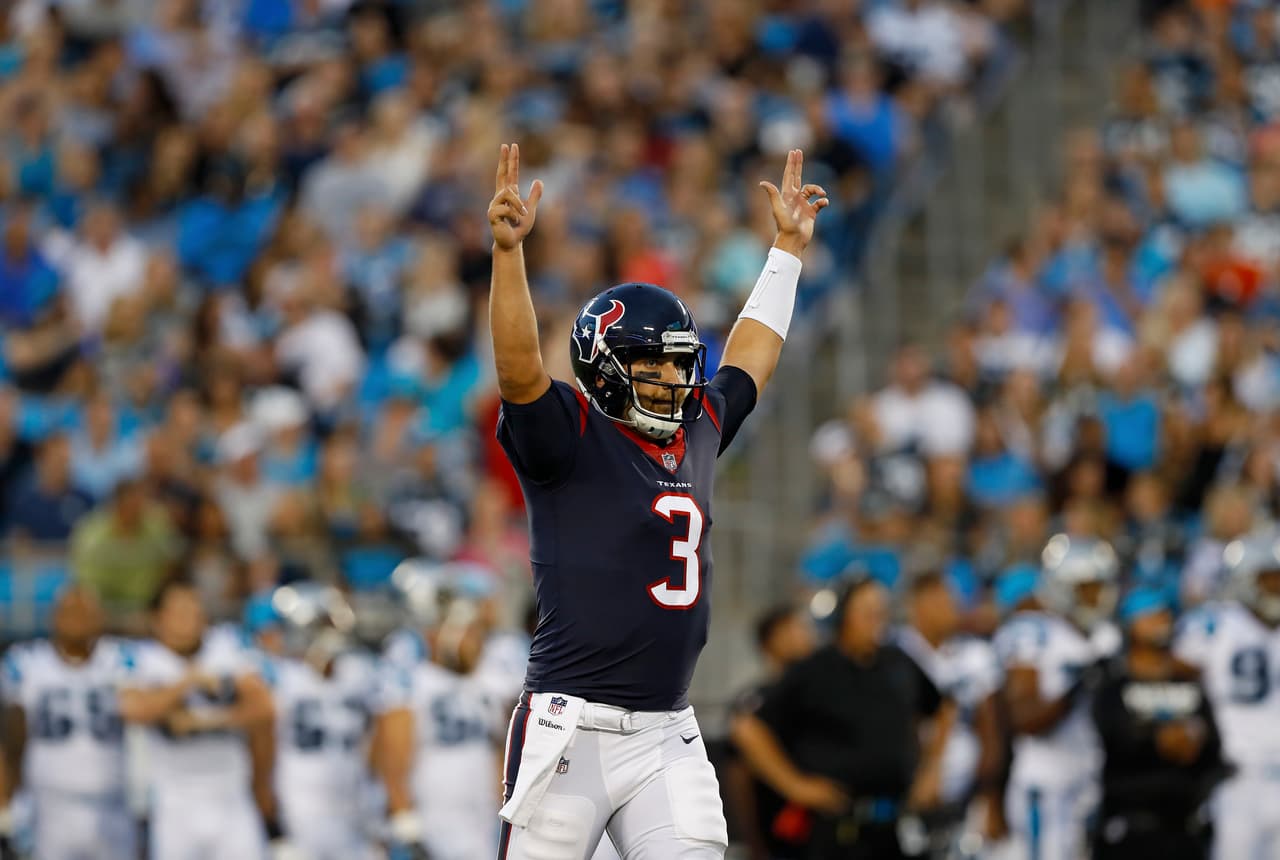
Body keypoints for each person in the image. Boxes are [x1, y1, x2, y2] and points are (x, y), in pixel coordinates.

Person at [486, 141, 828, 860]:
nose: (674, 383)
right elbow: (519, 371)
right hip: (570, 726)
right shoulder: (569, 435)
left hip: (667, 727)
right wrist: (509, 255)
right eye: (653, 368)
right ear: (602, 369)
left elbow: (750, 358)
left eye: (678, 366)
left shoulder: (698, 426)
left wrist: (787, 252)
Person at [733, 576, 944, 859]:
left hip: (895, 824)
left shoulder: (898, 662)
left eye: (881, 611)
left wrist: (931, 770)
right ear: (845, 616)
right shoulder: (815, 670)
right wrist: (796, 785)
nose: (876, 620)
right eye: (867, 612)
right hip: (835, 829)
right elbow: (747, 728)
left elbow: (943, 707)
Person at [117, 579, 276, 860]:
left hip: (231, 795)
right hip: (174, 802)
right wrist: (188, 681)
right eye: (179, 613)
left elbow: (265, 707)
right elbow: (134, 710)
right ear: (157, 619)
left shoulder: (228, 644)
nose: (189, 621)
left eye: (195, 611)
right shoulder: (140, 656)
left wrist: (207, 720)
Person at [994, 536, 1122, 860]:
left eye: (1101, 586)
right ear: (1065, 588)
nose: (1099, 596)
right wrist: (1077, 687)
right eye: (1088, 587)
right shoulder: (1035, 633)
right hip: (1046, 785)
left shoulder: (1106, 637)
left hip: (1090, 781)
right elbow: (1023, 718)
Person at [0, 586, 136, 860]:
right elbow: (12, 741)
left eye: (85, 612)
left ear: (101, 618)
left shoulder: (124, 659)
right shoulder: (25, 664)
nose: (77, 619)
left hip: (114, 804)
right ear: (53, 617)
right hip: (49, 807)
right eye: (69, 612)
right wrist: (6, 805)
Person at [373, 575, 502, 860]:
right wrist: (407, 827)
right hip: (435, 820)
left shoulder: (487, 680)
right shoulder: (412, 678)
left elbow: (497, 752)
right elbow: (393, 762)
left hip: (482, 818)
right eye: (471, 631)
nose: (478, 640)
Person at [1092, 588, 1224, 860]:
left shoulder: (1189, 683)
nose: (1161, 620)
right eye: (1150, 615)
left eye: (1164, 613)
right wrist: (1156, 738)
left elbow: (1213, 743)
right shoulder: (1113, 684)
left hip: (1183, 827)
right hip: (1129, 826)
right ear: (1130, 624)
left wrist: (1192, 741)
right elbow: (1111, 739)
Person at [1174, 534, 1280, 859]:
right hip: (1236, 777)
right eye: (1269, 578)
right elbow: (1175, 679)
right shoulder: (1212, 625)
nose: (1276, 587)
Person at [259, 583, 381, 860]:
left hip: (353, 802)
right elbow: (261, 746)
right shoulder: (277, 676)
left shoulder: (359, 672)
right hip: (299, 805)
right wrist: (271, 817)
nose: (333, 634)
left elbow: (378, 736)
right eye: (325, 624)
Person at [894, 571, 1004, 858]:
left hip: (965, 796)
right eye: (942, 600)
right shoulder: (894, 653)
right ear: (918, 605)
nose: (952, 607)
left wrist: (989, 796)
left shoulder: (975, 654)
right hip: (906, 795)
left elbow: (990, 727)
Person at [727, 604, 818, 860]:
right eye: (792, 629)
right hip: (778, 828)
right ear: (769, 641)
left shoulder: (824, 695)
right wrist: (751, 838)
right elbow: (739, 773)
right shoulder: (755, 701)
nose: (803, 635)